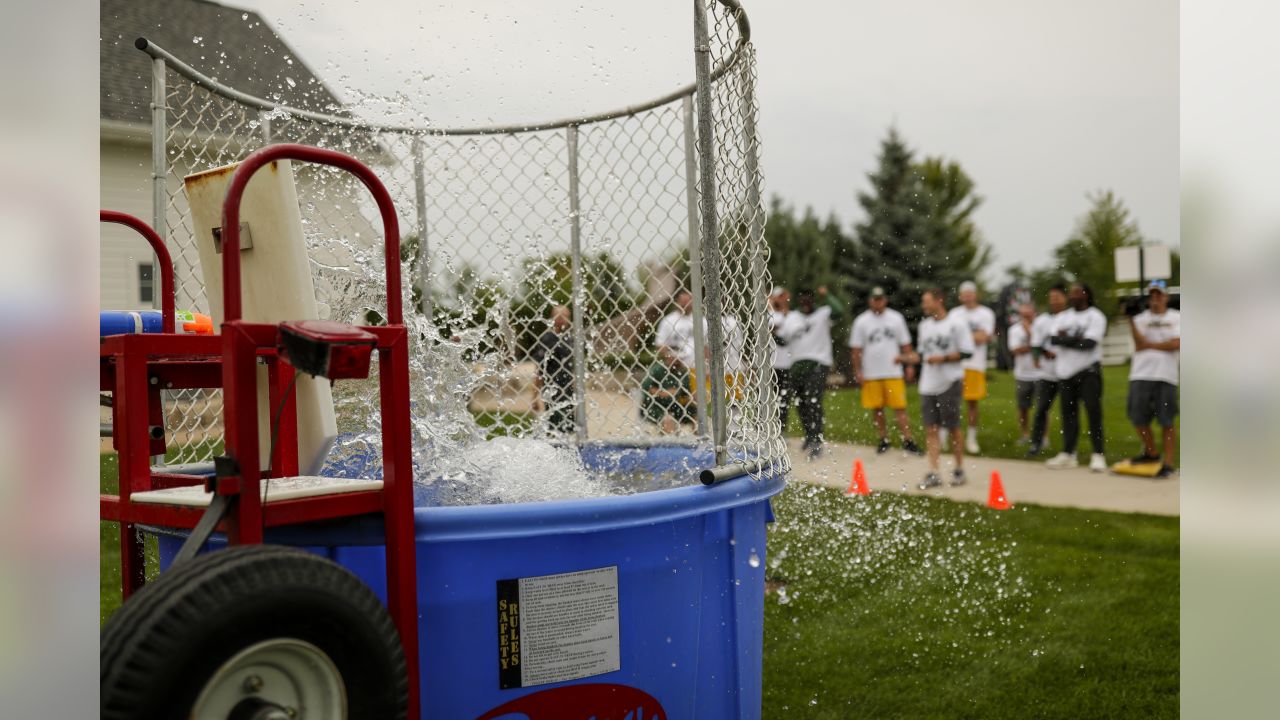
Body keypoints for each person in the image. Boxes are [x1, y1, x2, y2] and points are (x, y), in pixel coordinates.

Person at [910, 287, 974, 489]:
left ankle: (959, 469)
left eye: (927, 301)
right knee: (931, 428)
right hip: (928, 384)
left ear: (939, 300)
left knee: (953, 427)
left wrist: (943, 358)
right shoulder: (925, 326)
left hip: (950, 381)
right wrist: (907, 358)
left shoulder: (956, 324)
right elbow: (922, 354)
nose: (924, 305)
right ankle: (934, 471)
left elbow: (967, 352)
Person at [848, 286, 922, 455]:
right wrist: (858, 370)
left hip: (893, 371)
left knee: (899, 407)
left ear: (885, 300)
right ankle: (883, 438)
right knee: (877, 408)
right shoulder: (862, 321)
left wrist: (909, 364)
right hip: (872, 372)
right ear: (870, 301)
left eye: (880, 299)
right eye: (874, 299)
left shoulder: (896, 318)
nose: (877, 302)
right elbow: (856, 349)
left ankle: (908, 439)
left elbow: (905, 344)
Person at [1046, 282, 1108, 472]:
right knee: (1068, 415)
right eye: (1070, 293)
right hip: (1065, 373)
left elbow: (1089, 344)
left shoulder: (1095, 316)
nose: (1072, 296)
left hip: (1088, 371)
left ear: (1086, 295)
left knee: (1093, 413)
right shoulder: (1063, 317)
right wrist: (1074, 340)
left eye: (1076, 293)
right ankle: (1068, 453)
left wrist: (1067, 340)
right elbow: (1053, 339)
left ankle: (1098, 455)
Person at [777, 286, 845, 458]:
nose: (805, 302)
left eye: (809, 299)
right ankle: (809, 434)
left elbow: (839, 311)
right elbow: (783, 340)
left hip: (818, 362)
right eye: (802, 299)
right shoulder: (792, 317)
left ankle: (816, 439)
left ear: (813, 300)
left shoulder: (823, 314)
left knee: (813, 399)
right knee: (801, 402)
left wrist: (827, 294)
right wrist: (772, 334)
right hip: (797, 363)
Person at [1127, 280, 1180, 477]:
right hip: (1141, 373)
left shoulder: (1177, 317)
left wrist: (1150, 345)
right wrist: (1130, 320)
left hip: (1165, 374)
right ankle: (1151, 453)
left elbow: (1177, 343)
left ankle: (1168, 462)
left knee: (1166, 419)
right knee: (1137, 416)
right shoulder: (1140, 318)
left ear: (1166, 297)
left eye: (1159, 295)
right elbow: (1138, 344)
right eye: (1152, 295)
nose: (1155, 299)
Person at [948, 280, 996, 454]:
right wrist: (972, 336)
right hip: (955, 365)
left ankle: (971, 438)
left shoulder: (985, 313)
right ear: (960, 296)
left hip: (975, 364)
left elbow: (984, 337)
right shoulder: (954, 313)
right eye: (964, 293)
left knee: (972, 402)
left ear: (976, 295)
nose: (967, 297)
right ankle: (948, 434)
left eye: (970, 293)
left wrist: (964, 338)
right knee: (950, 401)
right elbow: (950, 338)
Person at [1026, 285, 1068, 457]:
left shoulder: (1070, 318)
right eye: (1051, 297)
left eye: (1057, 296)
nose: (1054, 300)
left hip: (1067, 371)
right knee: (1041, 409)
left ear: (1064, 298)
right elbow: (1035, 343)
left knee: (1068, 411)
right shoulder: (1042, 321)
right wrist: (1042, 353)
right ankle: (1036, 443)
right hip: (1047, 372)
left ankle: (1068, 448)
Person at [530, 304, 575, 435]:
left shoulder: (569, 338)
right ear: (552, 318)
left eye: (566, 316)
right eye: (559, 316)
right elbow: (539, 370)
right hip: (553, 392)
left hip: (569, 392)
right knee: (557, 430)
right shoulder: (547, 339)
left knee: (570, 430)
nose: (562, 320)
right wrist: (534, 397)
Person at [1006, 302, 1040, 445]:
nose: (1025, 318)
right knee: (1023, 408)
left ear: (1034, 313)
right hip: (1022, 374)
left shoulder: (1040, 327)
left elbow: (1041, 346)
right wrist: (1034, 347)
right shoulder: (1014, 330)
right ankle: (1025, 434)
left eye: (1028, 314)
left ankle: (1042, 438)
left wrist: (1029, 333)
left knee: (1042, 408)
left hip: (1040, 374)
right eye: (1023, 315)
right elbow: (1015, 350)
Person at [640, 352, 695, 435]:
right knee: (668, 419)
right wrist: (664, 393)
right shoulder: (657, 369)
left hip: (675, 406)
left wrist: (694, 399)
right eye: (673, 358)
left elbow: (686, 394)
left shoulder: (682, 372)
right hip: (655, 406)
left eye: (678, 359)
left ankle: (700, 442)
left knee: (697, 415)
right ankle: (670, 443)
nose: (676, 361)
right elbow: (646, 387)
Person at [768, 287, 794, 434]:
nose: (781, 300)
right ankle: (764, 428)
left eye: (784, 297)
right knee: (766, 399)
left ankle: (781, 429)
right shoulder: (767, 314)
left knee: (783, 399)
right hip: (770, 364)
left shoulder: (792, 315)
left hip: (786, 363)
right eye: (779, 297)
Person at [654, 289, 697, 371]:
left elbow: (706, 344)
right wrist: (671, 357)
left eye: (688, 301)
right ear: (677, 302)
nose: (685, 305)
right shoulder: (668, 320)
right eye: (683, 302)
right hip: (676, 367)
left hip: (696, 366)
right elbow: (659, 344)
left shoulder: (700, 320)